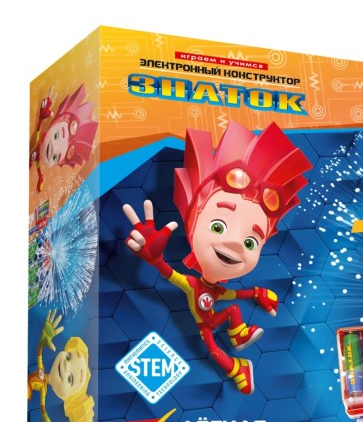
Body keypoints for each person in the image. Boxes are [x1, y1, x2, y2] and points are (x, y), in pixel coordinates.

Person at [124, 121, 311, 395]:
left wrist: (258, 293)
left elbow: (233, 296)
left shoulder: (214, 289)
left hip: (211, 317)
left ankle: (238, 336)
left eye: (250, 242)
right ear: (194, 216)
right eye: (218, 226)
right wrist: (155, 260)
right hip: (206, 323)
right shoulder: (191, 284)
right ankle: (238, 367)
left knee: (231, 313)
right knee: (212, 348)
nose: (235, 244)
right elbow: (171, 276)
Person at [28, 310, 94, 422]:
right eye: (69, 357)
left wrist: (45, 418)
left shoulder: (44, 390)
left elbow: (42, 407)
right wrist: (42, 342)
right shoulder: (42, 372)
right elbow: (39, 355)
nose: (65, 364)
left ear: (69, 400)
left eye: (70, 379)